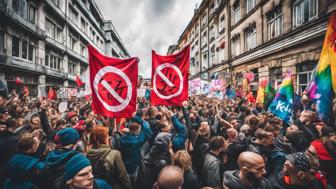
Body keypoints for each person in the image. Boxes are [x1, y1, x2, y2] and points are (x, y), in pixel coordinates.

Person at [119, 112, 152, 183]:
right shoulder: (137, 141)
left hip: (124, 166)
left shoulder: (121, 139)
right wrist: (141, 121)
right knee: (134, 181)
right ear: (137, 130)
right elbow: (148, 132)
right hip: (133, 167)